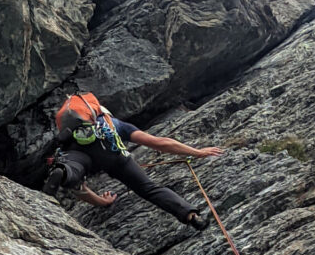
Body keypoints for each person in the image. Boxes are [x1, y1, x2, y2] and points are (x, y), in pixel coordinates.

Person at [42, 92, 223, 230]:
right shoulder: (113, 125)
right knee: (149, 189)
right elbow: (159, 143)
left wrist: (101, 202)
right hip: (116, 159)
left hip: (81, 155)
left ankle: (64, 172)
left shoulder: (71, 134)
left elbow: (79, 190)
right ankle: (190, 215)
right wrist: (197, 152)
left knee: (72, 169)